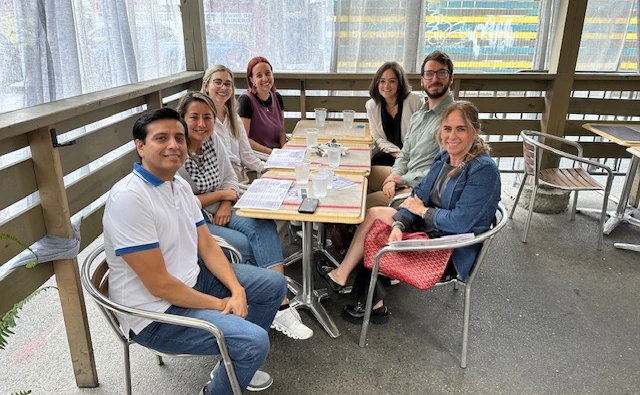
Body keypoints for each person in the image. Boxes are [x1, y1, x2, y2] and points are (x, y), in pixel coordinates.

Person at [102, 107, 287, 395]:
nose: (174, 145)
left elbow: (208, 246)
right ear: (140, 146)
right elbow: (160, 285)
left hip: (193, 281)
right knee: (254, 341)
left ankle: (234, 361)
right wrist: (222, 305)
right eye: (161, 138)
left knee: (274, 283)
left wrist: (236, 290)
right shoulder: (130, 199)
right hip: (154, 314)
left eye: (179, 137)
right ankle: (231, 366)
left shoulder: (179, 185)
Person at [317, 101, 501, 324]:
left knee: (379, 235)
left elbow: (459, 223)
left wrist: (422, 212)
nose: (452, 136)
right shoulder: (444, 158)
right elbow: (418, 196)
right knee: (376, 215)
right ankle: (344, 277)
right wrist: (399, 225)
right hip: (430, 228)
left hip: (450, 247)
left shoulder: (483, 170)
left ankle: (371, 303)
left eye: (460, 128)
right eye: (447, 128)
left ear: (475, 130)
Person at [176, 91, 313, 340]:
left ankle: (279, 305)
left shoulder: (214, 140)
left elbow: (230, 179)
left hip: (221, 206)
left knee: (262, 224)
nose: (201, 124)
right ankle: (259, 305)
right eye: (194, 117)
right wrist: (220, 196)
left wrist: (226, 200)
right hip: (193, 221)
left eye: (207, 117)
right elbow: (185, 203)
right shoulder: (176, 150)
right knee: (245, 246)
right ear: (182, 119)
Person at [367, 50, 456, 209]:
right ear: (422, 80)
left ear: (451, 78)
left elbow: (444, 172)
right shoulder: (419, 115)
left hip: (422, 190)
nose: (435, 79)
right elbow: (405, 153)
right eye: (429, 74)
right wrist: (395, 175)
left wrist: (402, 181)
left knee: (360, 204)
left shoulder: (454, 119)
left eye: (441, 73)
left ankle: (366, 226)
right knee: (364, 175)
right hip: (407, 175)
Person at [202, 64, 265, 185]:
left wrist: (266, 168)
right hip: (221, 188)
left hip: (242, 183)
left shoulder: (234, 118)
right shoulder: (201, 123)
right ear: (206, 86)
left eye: (227, 84)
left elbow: (246, 155)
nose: (223, 87)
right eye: (218, 82)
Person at [366, 61, 423, 167]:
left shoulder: (414, 100)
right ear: (377, 83)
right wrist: (397, 154)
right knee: (372, 163)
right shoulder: (371, 105)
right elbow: (378, 138)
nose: (386, 86)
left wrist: (405, 158)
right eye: (382, 81)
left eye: (392, 81)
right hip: (390, 154)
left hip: (413, 157)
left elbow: (420, 136)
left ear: (399, 84)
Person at [238, 56, 285, 155]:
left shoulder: (277, 97)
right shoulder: (246, 100)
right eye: (259, 75)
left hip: (276, 154)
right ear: (252, 80)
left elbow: (282, 132)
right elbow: (243, 138)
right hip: (257, 155)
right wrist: (270, 152)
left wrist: (284, 151)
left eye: (268, 73)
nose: (265, 79)